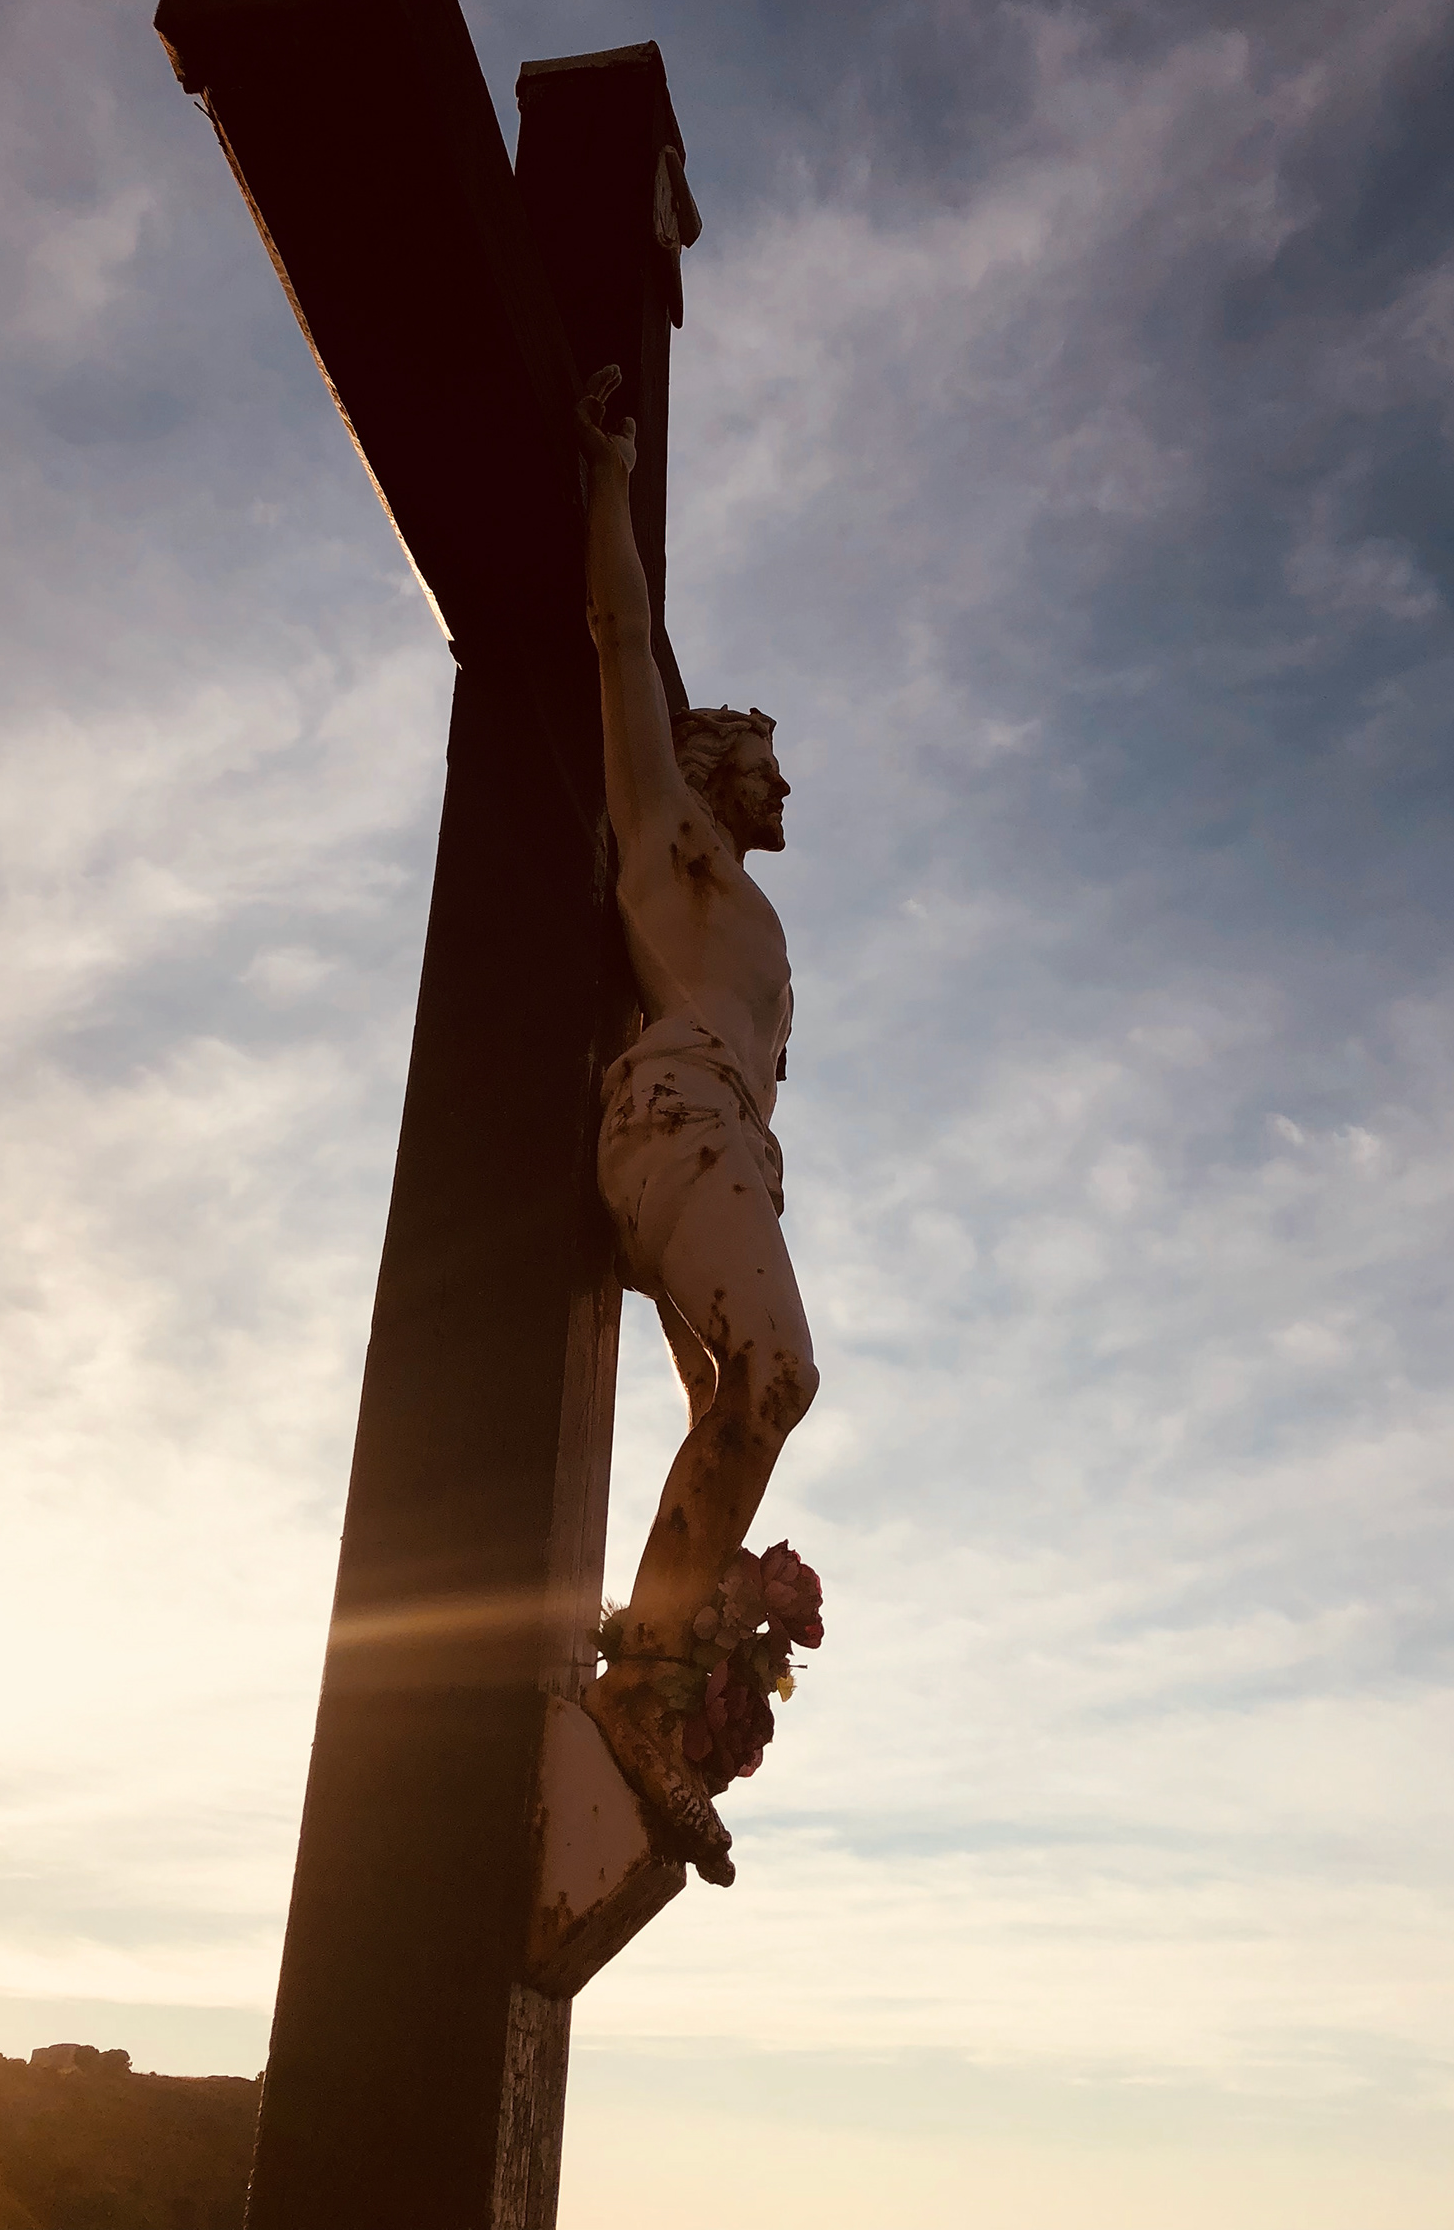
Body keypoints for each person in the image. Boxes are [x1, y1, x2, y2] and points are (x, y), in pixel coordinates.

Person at [576, 364, 818, 1886]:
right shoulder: (675, 844)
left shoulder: (762, 918)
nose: (786, 777)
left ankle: (658, 1683)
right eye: (767, 754)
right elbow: (617, 640)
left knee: (750, 1393)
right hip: (675, 1112)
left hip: (726, 1147)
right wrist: (606, 470)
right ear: (718, 767)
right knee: (782, 1377)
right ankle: (643, 1682)